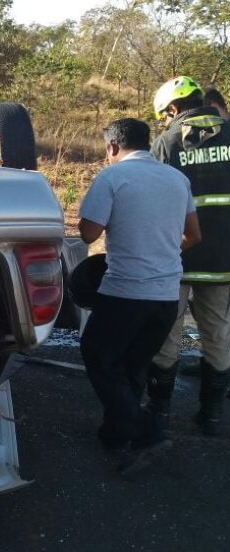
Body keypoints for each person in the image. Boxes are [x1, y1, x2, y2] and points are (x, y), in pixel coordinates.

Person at [78, 117, 200, 475]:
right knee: (133, 365)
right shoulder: (178, 179)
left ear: (112, 147)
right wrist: (159, 246)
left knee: (98, 354)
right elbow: (193, 236)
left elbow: (87, 234)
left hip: (125, 291)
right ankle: (115, 435)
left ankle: (147, 432)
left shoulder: (112, 177)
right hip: (166, 295)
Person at [148, 76, 230, 436]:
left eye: (165, 115)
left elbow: (153, 201)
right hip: (223, 259)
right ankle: (212, 416)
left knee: (168, 332)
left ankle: (159, 415)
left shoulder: (166, 143)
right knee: (218, 334)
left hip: (177, 255)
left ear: (172, 109)